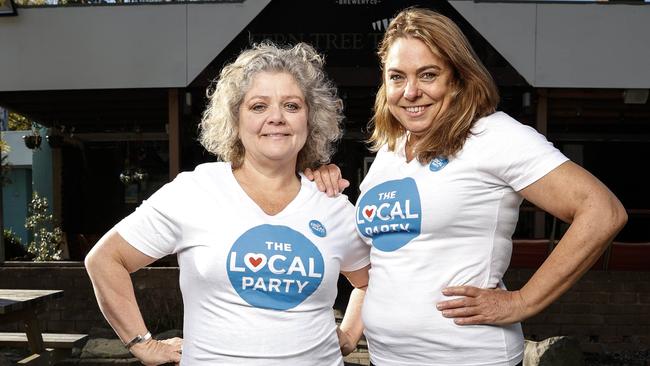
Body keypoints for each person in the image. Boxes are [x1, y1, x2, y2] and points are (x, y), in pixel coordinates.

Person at [308, 7, 627, 366]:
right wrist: (350, 334)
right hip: (388, 358)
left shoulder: (493, 135)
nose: (411, 91)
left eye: (428, 75)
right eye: (397, 77)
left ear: (457, 79)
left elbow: (602, 211)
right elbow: (385, 264)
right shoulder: (390, 154)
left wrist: (522, 301)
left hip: (468, 357)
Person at [85, 41, 370, 366]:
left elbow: (370, 281)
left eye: (291, 106)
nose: (276, 117)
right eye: (259, 106)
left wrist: (348, 335)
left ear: (310, 119)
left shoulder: (332, 206)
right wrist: (142, 343)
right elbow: (106, 260)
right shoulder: (195, 191)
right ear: (235, 119)